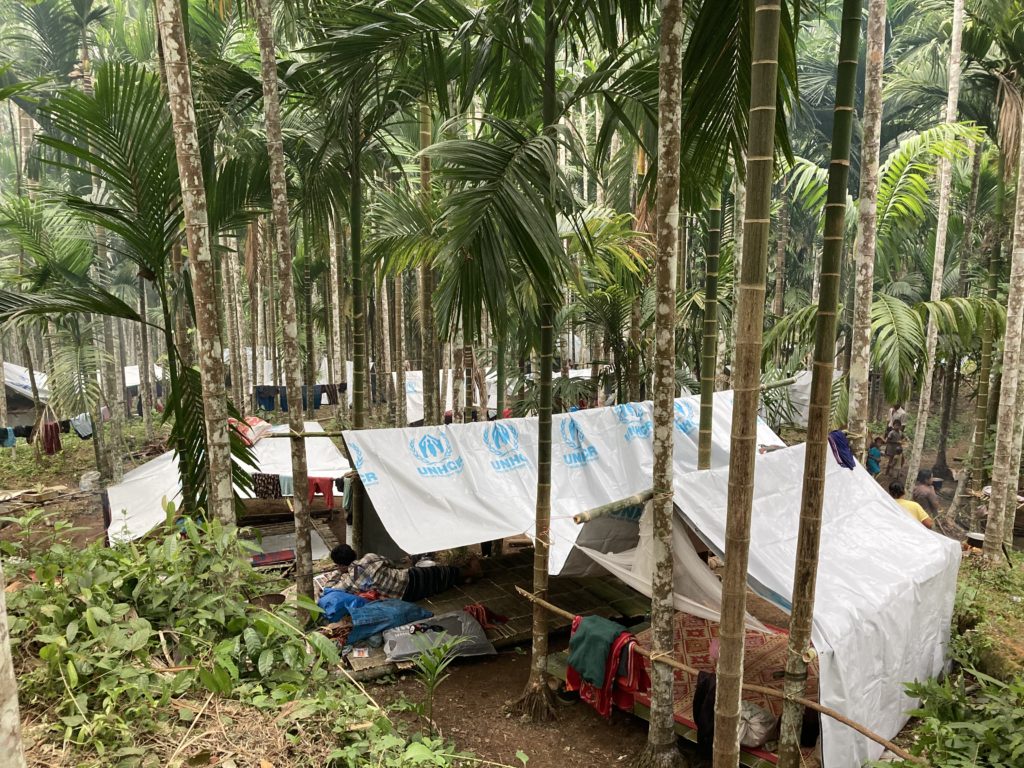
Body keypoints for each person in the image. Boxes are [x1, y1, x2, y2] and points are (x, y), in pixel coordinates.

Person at [325, 545, 480, 602]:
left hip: (407, 596)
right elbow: (391, 564)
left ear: (340, 565)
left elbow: (331, 589)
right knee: (439, 573)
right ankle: (471, 572)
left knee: (437, 586)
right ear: (353, 553)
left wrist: (338, 573)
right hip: (409, 577)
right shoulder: (370, 558)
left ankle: (470, 575)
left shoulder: (351, 580)